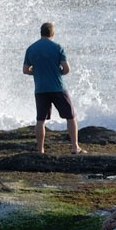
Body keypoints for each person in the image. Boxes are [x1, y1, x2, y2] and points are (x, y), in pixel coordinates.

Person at [23, 22, 85, 154]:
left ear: (41, 32)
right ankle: (75, 147)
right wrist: (57, 72)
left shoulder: (31, 48)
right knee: (70, 116)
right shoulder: (57, 48)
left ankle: (40, 149)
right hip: (57, 87)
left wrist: (38, 71)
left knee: (40, 119)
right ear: (52, 33)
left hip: (40, 89)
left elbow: (26, 70)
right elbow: (67, 69)